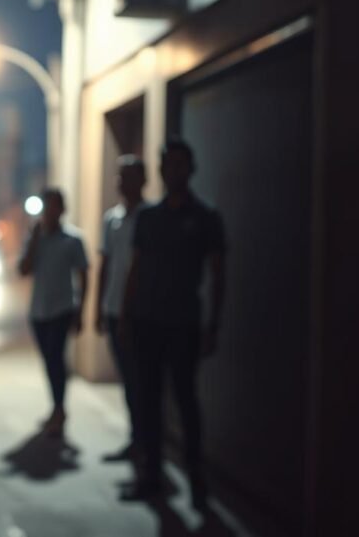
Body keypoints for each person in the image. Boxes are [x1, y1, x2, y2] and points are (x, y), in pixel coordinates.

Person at [118, 139, 226, 510]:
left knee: (185, 400)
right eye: (168, 165)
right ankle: (151, 475)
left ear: (191, 169)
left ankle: (196, 479)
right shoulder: (149, 218)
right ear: (161, 171)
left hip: (183, 322)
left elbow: (219, 274)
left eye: (180, 164)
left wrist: (214, 325)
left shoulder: (206, 217)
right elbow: (135, 268)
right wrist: (126, 316)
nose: (174, 171)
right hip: (147, 322)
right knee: (148, 401)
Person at [18, 188, 90, 438]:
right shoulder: (36, 238)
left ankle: (59, 409)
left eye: (54, 206)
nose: (50, 212)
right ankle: (57, 408)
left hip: (62, 309)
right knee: (49, 361)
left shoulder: (72, 240)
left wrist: (80, 311)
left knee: (56, 358)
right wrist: (34, 240)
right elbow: (23, 270)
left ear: (62, 209)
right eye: (46, 206)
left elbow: (83, 275)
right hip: (39, 310)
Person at [95, 155, 149, 463]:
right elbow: (105, 263)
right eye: (119, 176)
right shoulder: (111, 219)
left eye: (128, 176)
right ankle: (136, 439)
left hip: (141, 313)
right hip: (114, 309)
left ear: (142, 180)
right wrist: (99, 308)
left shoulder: (149, 218)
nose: (122, 182)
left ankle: (145, 441)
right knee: (128, 378)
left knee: (141, 380)